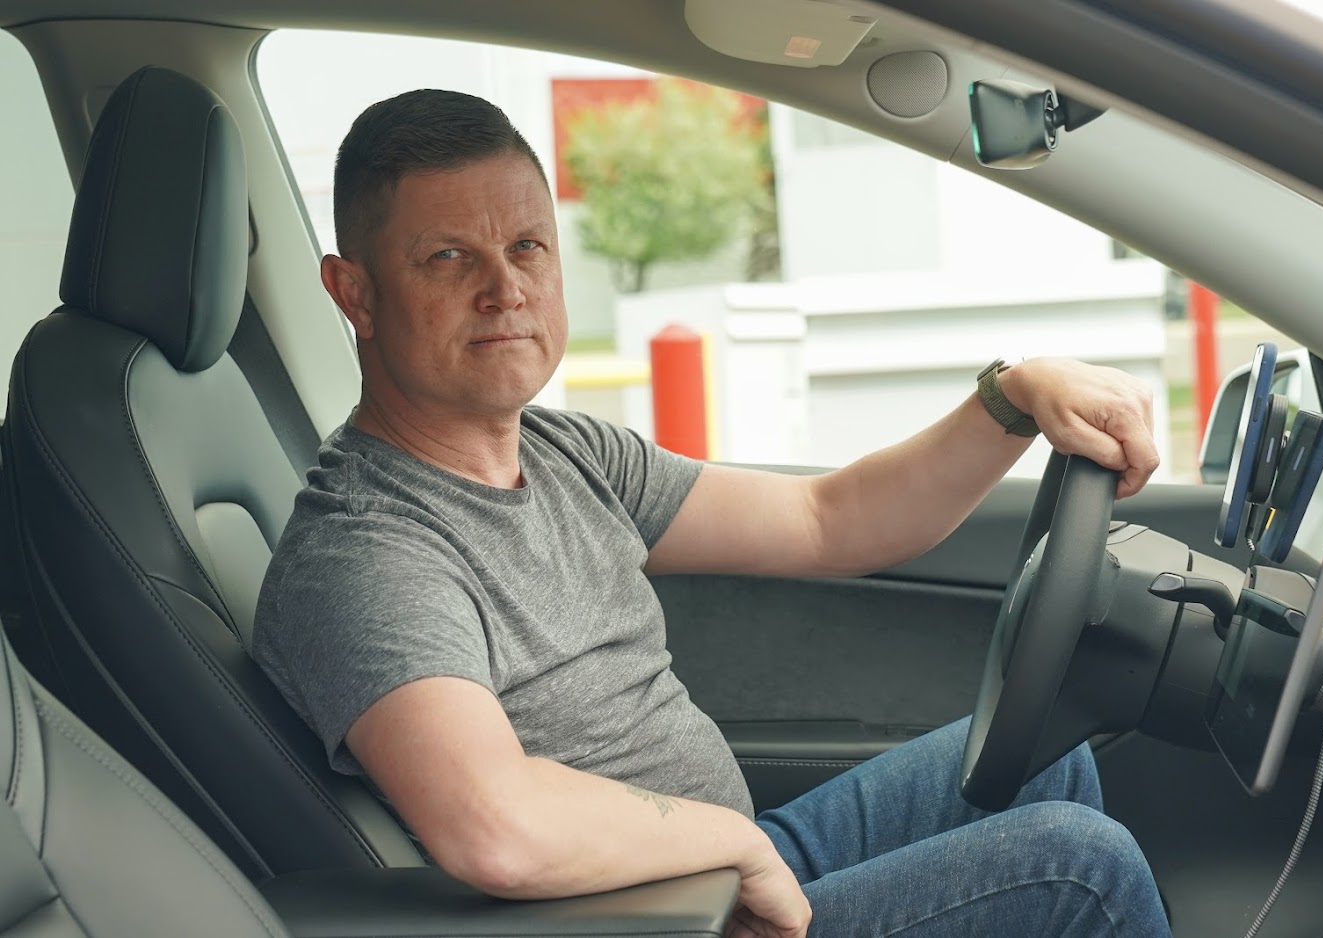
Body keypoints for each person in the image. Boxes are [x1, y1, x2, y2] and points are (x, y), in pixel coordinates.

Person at [252, 88, 1172, 938]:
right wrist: (728, 847)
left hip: (724, 875)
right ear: (356, 294)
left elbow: (830, 519)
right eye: (449, 257)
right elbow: (495, 827)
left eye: (527, 246)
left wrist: (1012, 398)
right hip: (648, 922)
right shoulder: (365, 556)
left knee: (1048, 762)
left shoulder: (567, 453)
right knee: (1080, 869)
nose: (506, 289)